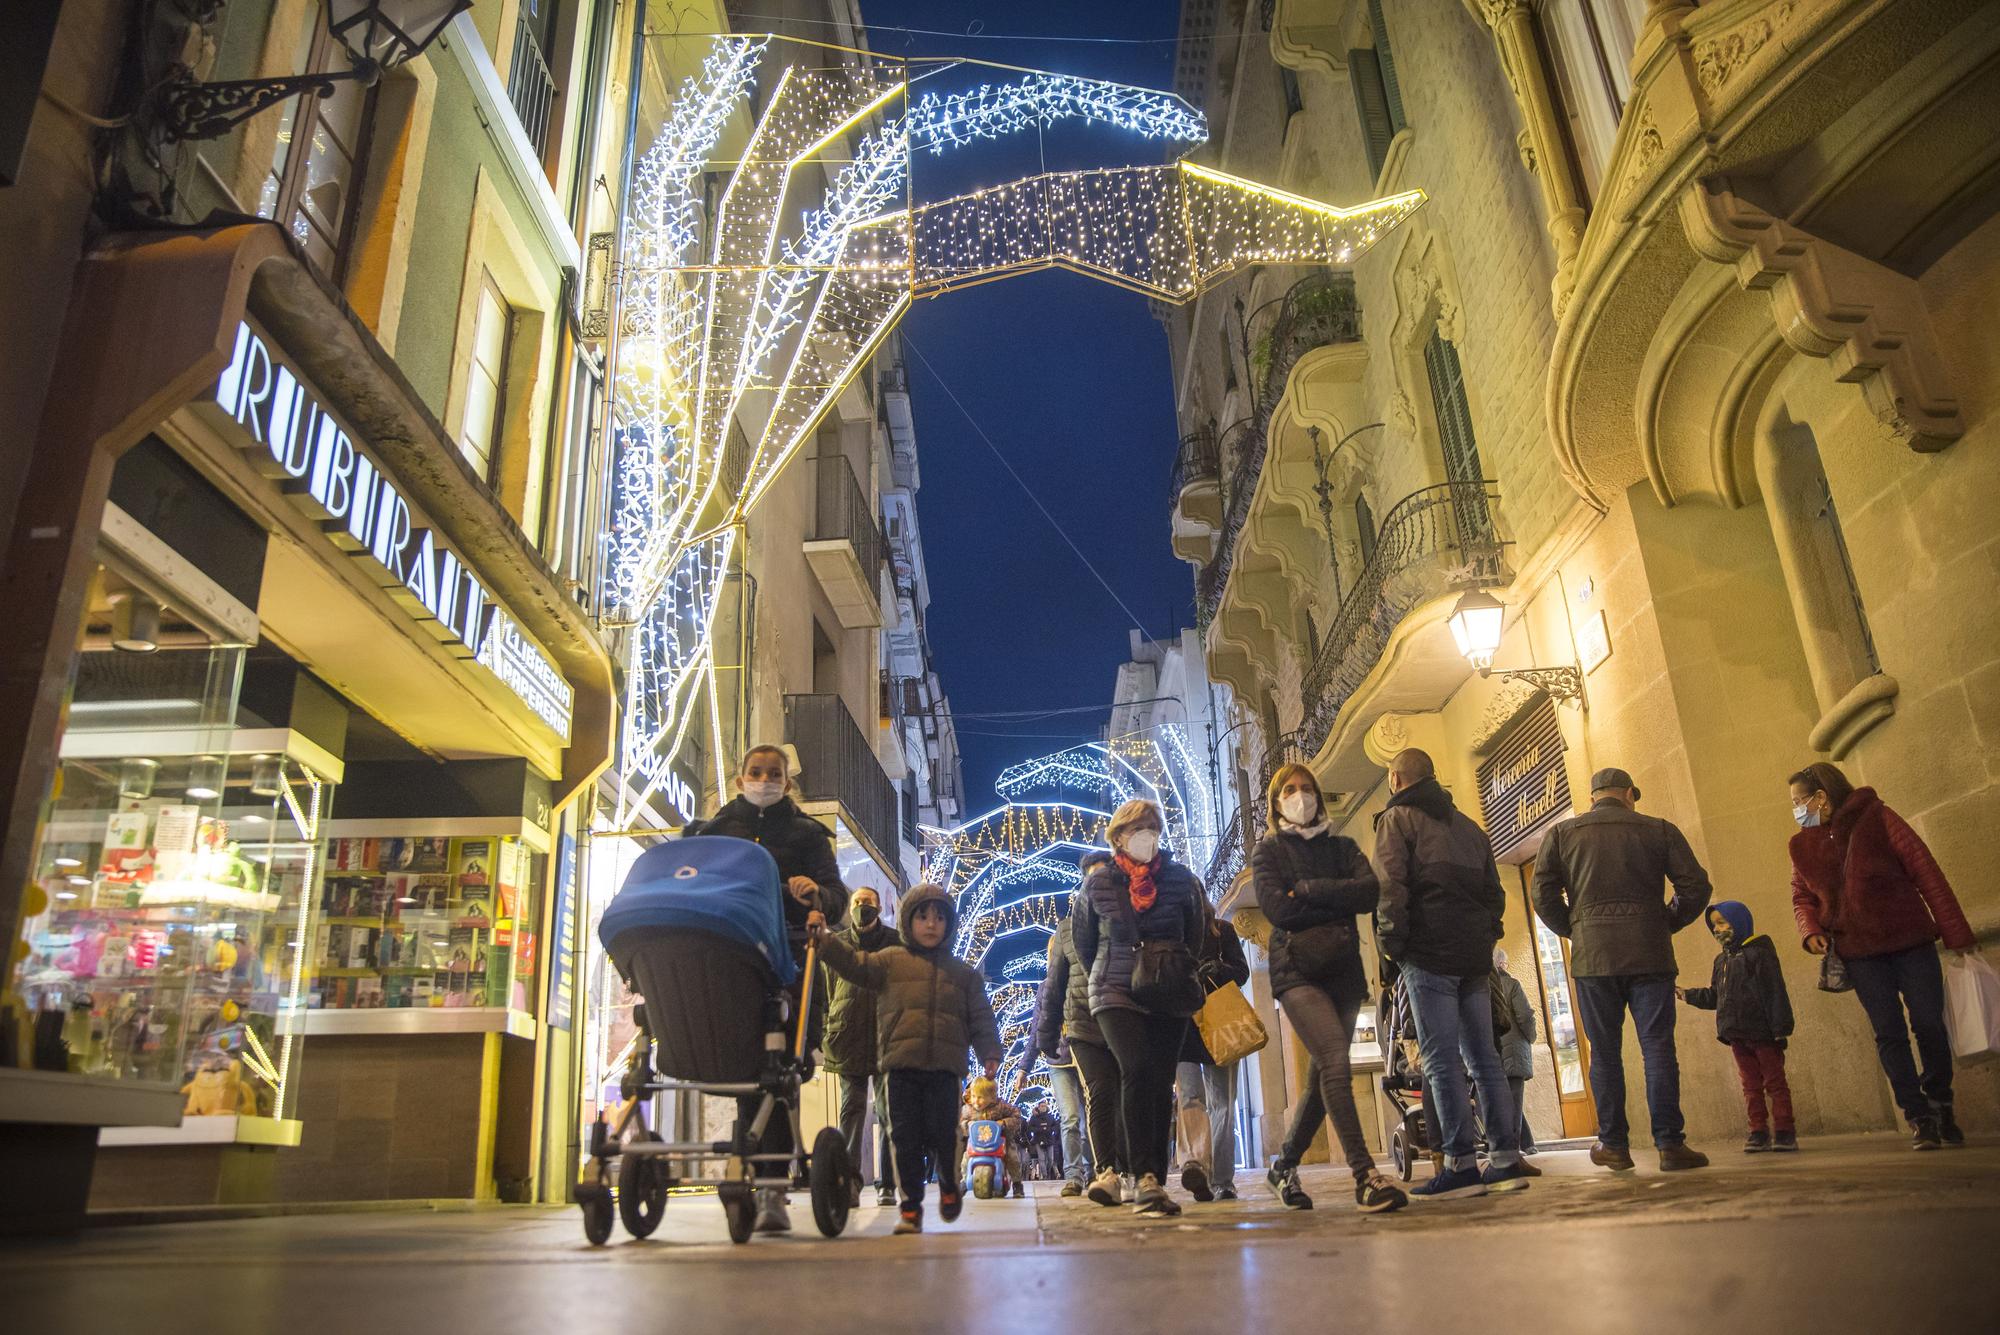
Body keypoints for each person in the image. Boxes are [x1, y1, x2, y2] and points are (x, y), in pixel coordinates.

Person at [683, 744, 851, 1233]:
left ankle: (772, 1188)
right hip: (729, 962)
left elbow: (836, 899)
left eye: (773, 773)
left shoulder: (807, 836)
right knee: (744, 1075)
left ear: (788, 783)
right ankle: (760, 1179)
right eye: (755, 772)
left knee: (778, 1078)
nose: (764, 779)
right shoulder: (713, 832)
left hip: (787, 964)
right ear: (739, 780)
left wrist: (815, 894)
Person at [1533, 766, 1712, 1174]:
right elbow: (1696, 887)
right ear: (1630, 793)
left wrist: (1577, 929)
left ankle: (1613, 1145)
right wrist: (1665, 921)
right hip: (1650, 954)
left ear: (1592, 795)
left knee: (1605, 1053)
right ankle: (1670, 1144)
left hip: (1594, 959)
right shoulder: (1659, 829)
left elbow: (1541, 894)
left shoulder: (1562, 835)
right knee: (1658, 1048)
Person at [1787, 763, 1976, 1150]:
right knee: (1889, 1032)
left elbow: (1926, 872)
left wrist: (1957, 933)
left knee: (1929, 1023)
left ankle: (1940, 1100)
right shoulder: (1802, 845)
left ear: (1821, 797)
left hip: (1910, 941)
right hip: (1860, 952)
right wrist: (1810, 932)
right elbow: (1801, 895)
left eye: (1798, 801)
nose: (1795, 810)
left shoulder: (1879, 817)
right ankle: (1919, 1116)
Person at [1250, 762, 1408, 1214]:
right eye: (1290, 790)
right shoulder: (1269, 853)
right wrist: (1327, 897)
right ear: (1277, 802)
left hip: (1342, 969)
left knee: (1323, 1076)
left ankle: (1284, 1167)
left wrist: (1309, 889)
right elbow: (1279, 910)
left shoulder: (1342, 846)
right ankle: (1365, 1175)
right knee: (1337, 1060)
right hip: (1296, 971)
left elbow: (1367, 893)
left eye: (1306, 788)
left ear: (1318, 795)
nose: (1300, 796)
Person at [1374, 748, 1531, 1200]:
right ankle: (1505, 1160)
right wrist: (1485, 939)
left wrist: (1393, 946)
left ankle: (1460, 1165)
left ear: (1397, 779)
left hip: (1428, 956)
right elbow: (1493, 895)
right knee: (1484, 1057)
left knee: (1440, 1060)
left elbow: (1390, 887)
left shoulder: (1397, 820)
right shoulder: (1469, 828)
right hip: (1472, 959)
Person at [811, 883, 1001, 1235]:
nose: (931, 924)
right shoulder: (890, 961)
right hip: (899, 1066)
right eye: (923, 916)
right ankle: (910, 1207)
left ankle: (948, 1182)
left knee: (945, 1134)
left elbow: (981, 1016)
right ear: (908, 922)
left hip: (945, 1069)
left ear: (950, 924)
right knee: (904, 1138)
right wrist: (825, 940)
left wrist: (989, 1051)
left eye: (939, 917)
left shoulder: (963, 975)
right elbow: (854, 965)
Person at [1072, 799, 1204, 1216]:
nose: (1146, 833)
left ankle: (1153, 1179)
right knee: (1136, 1068)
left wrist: (1166, 968)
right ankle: (1139, 1174)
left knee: (1162, 1080)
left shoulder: (1181, 880)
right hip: (1114, 989)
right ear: (1118, 837)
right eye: (1137, 827)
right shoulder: (1098, 884)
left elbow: (1195, 936)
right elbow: (1084, 943)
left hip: (1168, 988)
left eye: (1152, 825)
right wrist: (1121, 968)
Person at [1677, 901, 1797, 1152]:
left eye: (1722, 922)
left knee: (1775, 1082)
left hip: (1764, 1033)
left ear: (1739, 922)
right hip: (1736, 1035)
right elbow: (1715, 996)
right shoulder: (1721, 960)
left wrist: (1780, 1028)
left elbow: (1775, 992)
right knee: (1750, 1085)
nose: (1718, 929)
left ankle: (1785, 1131)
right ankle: (1758, 1131)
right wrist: (1687, 995)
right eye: (1714, 925)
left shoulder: (1759, 954)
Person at [1043, 856, 1126, 1205]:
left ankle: (1134, 1169)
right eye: (1092, 877)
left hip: (1125, 1020)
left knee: (1126, 1097)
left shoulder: (1129, 918)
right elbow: (1054, 983)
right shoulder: (1064, 930)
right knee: (1100, 1093)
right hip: (1082, 1023)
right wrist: (1047, 1033)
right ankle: (1105, 1171)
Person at [823, 885, 899, 1207]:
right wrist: (831, 1025)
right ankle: (849, 1182)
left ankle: (887, 1185)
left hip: (886, 1038)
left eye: (867, 903)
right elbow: (828, 990)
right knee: (851, 1113)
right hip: (848, 1037)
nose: (861, 907)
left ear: (879, 907)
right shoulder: (838, 945)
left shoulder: (896, 943)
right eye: (857, 902)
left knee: (889, 1113)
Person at [1175, 894, 1251, 1202]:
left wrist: (1217, 969)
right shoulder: (1172, 935)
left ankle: (1223, 1180)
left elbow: (1242, 972)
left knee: (1222, 1103)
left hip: (1222, 1023)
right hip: (1183, 1028)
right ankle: (1197, 1169)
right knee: (1190, 1099)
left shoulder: (1223, 930)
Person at [1032, 925, 1094, 1196]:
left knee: (1090, 1118)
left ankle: (1096, 1169)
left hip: (1086, 1054)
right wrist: (1024, 1067)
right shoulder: (1047, 986)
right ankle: (1074, 1176)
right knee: (1069, 1118)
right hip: (1058, 1061)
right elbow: (1038, 1027)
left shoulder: (1085, 975)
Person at [960, 1075, 1027, 1197]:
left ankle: (1017, 1184)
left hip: (1000, 1141)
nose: (976, 1101)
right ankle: (965, 1180)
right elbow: (961, 1121)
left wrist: (1004, 1123)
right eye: (974, 1096)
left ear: (992, 1097)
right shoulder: (968, 1109)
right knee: (966, 1159)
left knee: (1012, 1158)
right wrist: (967, 1124)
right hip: (977, 1142)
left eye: (981, 1098)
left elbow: (1016, 1115)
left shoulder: (1001, 1106)